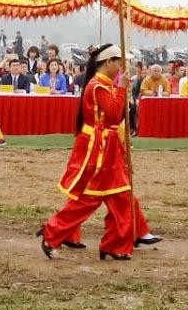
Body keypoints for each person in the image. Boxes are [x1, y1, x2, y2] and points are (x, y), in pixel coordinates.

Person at [41, 44, 138, 259]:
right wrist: (122, 89)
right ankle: (53, 232)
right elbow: (114, 115)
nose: (122, 67)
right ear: (108, 62)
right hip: (101, 149)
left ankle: (114, 245)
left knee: (121, 196)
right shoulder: (98, 86)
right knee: (90, 198)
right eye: (119, 62)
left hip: (109, 146)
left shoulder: (105, 84)